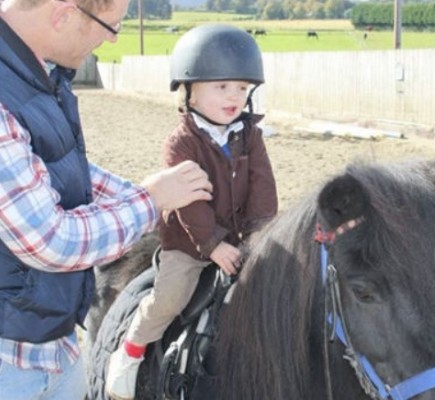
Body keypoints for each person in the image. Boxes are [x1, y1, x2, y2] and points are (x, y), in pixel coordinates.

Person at [0, 0, 214, 398]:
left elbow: (63, 171)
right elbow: (49, 240)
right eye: (109, 24)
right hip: (11, 365)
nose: (113, 37)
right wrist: (150, 201)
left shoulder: (33, 72)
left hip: (49, 342)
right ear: (62, 13)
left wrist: (163, 201)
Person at [105, 24, 278, 400]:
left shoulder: (250, 136)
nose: (234, 96)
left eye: (242, 89)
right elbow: (189, 203)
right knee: (172, 295)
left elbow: (264, 191)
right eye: (221, 87)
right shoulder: (181, 142)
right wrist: (213, 245)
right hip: (189, 242)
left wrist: (258, 238)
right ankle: (132, 351)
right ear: (189, 91)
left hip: (238, 240)